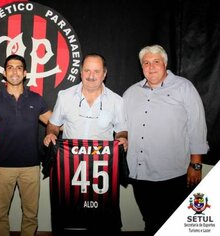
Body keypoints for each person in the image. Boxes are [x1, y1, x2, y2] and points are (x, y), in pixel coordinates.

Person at [123, 44, 209, 236]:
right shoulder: (130, 93)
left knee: (173, 225)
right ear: (141, 66)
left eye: (156, 62)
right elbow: (122, 128)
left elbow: (197, 126)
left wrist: (196, 164)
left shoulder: (184, 87)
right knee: (150, 221)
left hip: (173, 174)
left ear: (165, 63)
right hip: (141, 173)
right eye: (146, 63)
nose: (151, 67)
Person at [43, 53, 127, 234]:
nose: (91, 75)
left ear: (104, 74)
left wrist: (123, 138)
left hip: (101, 172)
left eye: (96, 71)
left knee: (101, 223)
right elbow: (54, 124)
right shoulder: (65, 96)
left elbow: (121, 130)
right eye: (87, 70)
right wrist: (51, 134)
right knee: (69, 222)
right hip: (70, 171)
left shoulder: (116, 101)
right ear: (81, 72)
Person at [0, 54, 52, 236]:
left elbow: (54, 123)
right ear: (4, 73)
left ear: (25, 72)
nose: (14, 71)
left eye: (19, 67)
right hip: (3, 168)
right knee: (0, 215)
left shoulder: (36, 99)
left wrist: (55, 131)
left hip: (31, 167)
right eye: (10, 67)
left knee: (30, 216)